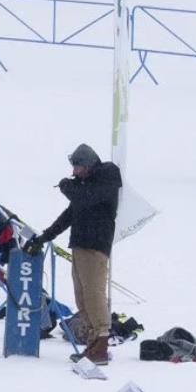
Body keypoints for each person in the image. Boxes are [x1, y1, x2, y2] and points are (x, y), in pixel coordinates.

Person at [23, 144, 121, 365]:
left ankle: (101, 344)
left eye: (78, 167)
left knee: (94, 293)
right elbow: (68, 215)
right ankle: (93, 342)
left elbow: (85, 197)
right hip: (80, 244)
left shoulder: (107, 176)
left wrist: (68, 186)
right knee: (81, 295)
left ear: (89, 164)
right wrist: (44, 237)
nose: (75, 172)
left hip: (95, 245)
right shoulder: (85, 187)